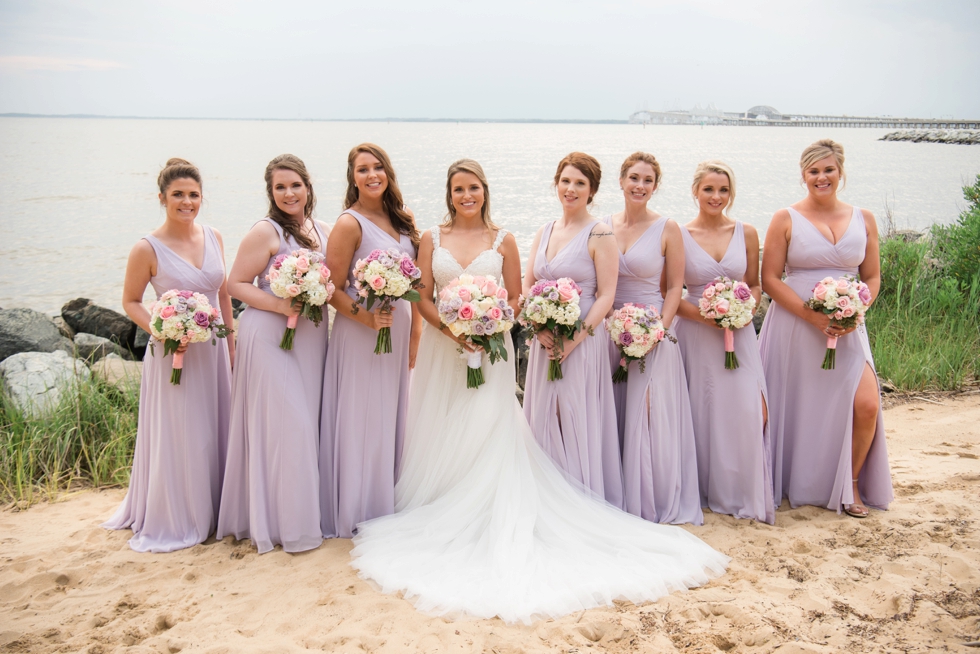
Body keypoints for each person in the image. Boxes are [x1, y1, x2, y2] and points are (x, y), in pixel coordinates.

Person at [349, 159, 729, 624]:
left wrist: (490, 324)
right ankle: (442, 497)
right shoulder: (432, 237)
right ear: (449, 194)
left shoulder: (506, 237)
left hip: (495, 346)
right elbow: (425, 294)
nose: (466, 196)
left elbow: (514, 297)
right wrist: (453, 328)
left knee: (492, 426)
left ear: (485, 191)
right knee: (441, 423)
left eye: (474, 188)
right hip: (444, 349)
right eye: (458, 189)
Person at [103, 158, 234, 552]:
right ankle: (182, 515)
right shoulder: (147, 248)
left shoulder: (214, 236)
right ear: (161, 198)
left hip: (211, 353)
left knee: (216, 428)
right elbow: (131, 301)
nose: (187, 202)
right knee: (183, 435)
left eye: (193, 195)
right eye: (178, 194)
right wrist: (164, 329)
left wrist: (231, 344)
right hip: (173, 353)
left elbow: (223, 294)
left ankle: (216, 512)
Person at [759, 139, 893, 517]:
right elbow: (770, 279)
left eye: (828, 170)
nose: (822, 177)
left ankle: (850, 483)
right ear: (803, 175)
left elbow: (872, 275)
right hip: (795, 328)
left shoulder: (864, 217)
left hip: (848, 328)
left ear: (841, 171)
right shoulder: (785, 218)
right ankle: (788, 481)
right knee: (798, 406)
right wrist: (811, 315)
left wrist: (856, 309)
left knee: (866, 404)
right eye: (814, 171)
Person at [216, 154, 329, 553]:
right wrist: (281, 304)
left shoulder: (321, 230)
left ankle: (296, 514)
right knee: (288, 426)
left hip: (310, 340)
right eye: (279, 187)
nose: (288, 193)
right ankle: (285, 526)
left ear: (308, 186)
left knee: (304, 427)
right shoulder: (265, 232)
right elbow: (235, 284)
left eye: (295, 185)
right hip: (269, 336)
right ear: (271, 192)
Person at [319, 143, 422, 539]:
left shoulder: (403, 218)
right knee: (362, 417)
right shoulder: (350, 224)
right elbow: (330, 287)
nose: (372, 175)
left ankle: (386, 502)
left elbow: (416, 282)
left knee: (389, 415)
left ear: (388, 172)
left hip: (396, 332)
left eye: (378, 167)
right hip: (362, 334)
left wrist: (414, 335)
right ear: (353, 177)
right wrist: (366, 318)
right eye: (363, 169)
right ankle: (358, 510)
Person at [673, 161, 775, 524]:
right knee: (704, 410)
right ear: (695, 192)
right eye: (709, 190)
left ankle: (743, 489)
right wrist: (708, 316)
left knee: (751, 410)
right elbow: (671, 292)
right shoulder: (679, 234)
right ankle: (704, 490)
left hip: (740, 332)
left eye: (724, 190)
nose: (717, 197)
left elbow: (756, 283)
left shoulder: (746, 232)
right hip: (697, 334)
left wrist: (743, 309)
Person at [604, 152, 702, 525]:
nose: (639, 186)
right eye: (633, 178)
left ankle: (650, 498)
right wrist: (609, 322)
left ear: (655, 186)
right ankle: (617, 492)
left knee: (648, 411)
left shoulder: (667, 228)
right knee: (614, 408)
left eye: (647, 180)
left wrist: (658, 328)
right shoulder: (602, 225)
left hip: (653, 331)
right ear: (621, 181)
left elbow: (676, 286)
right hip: (610, 328)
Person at [521, 152, 624, 508]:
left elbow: (606, 295)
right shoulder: (545, 230)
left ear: (592, 190)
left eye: (580, 182)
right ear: (556, 183)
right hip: (545, 342)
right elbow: (527, 285)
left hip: (581, 342)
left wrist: (574, 340)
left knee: (572, 415)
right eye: (566, 180)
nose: (571, 188)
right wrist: (538, 326)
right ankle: (545, 499)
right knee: (544, 415)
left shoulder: (601, 232)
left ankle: (577, 500)